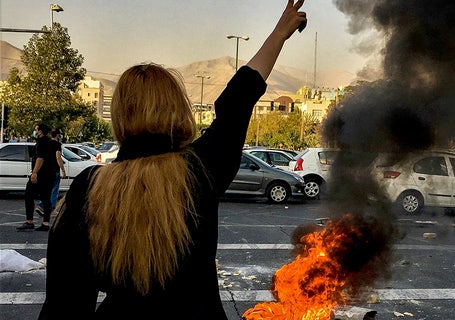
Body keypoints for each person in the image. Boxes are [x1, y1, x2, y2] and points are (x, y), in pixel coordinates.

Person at [38, 1, 307, 319]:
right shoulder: (199, 170)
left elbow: (64, 305)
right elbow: (238, 100)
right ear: (177, 107)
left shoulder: (88, 188)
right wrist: (279, 34)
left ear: (120, 115)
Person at [17, 124, 58, 231]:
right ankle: (45, 223)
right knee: (46, 198)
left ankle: (29, 221)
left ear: (40, 131)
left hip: (41, 175)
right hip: (50, 175)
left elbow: (40, 159)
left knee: (29, 194)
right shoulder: (51, 142)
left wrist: (34, 173)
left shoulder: (41, 143)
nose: (34, 131)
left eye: (36, 129)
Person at [35, 129, 67, 217]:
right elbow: (58, 157)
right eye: (60, 134)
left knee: (48, 190)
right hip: (54, 170)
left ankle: (42, 205)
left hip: (46, 170)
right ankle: (48, 208)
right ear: (57, 135)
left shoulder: (48, 143)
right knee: (54, 191)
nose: (61, 135)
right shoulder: (57, 144)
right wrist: (63, 170)